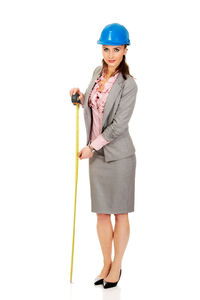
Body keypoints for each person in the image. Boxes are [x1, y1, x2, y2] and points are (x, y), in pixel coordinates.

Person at [69, 23, 138, 289]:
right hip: (96, 156)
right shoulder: (98, 73)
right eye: (107, 48)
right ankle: (106, 263)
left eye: (116, 49)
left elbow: (118, 125)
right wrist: (80, 96)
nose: (111, 54)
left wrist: (92, 147)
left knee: (119, 213)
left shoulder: (128, 85)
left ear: (125, 50)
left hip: (119, 158)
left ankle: (117, 265)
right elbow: (95, 106)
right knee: (101, 214)